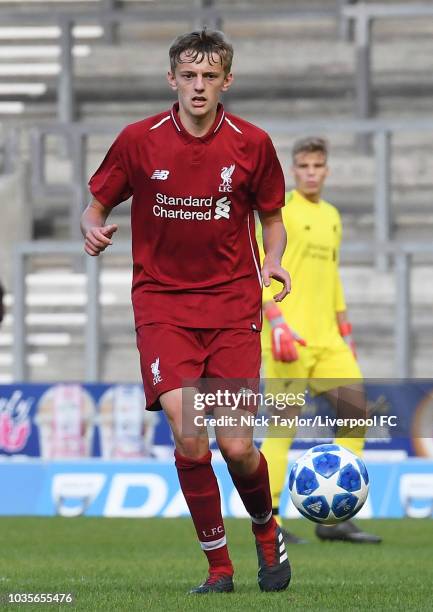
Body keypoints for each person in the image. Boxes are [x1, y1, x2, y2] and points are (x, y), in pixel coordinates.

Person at [81, 29, 292, 593]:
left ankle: (266, 530)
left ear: (228, 81)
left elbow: (273, 217)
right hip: (162, 305)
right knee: (189, 434)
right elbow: (96, 203)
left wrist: (272, 262)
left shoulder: (253, 143)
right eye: (189, 76)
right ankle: (219, 569)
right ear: (171, 78)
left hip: (231, 306)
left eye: (210, 77)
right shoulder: (138, 140)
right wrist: (92, 228)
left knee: (238, 447)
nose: (199, 87)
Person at [259, 137, 381, 544]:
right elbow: (261, 270)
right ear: (293, 171)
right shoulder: (280, 214)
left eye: (317, 166)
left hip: (329, 339)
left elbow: (332, 278)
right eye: (303, 166)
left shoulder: (331, 215)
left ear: (327, 170)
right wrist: (275, 322)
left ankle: (337, 517)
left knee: (356, 412)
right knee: (281, 430)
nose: (311, 172)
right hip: (287, 338)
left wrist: (346, 331)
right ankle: (269, 521)